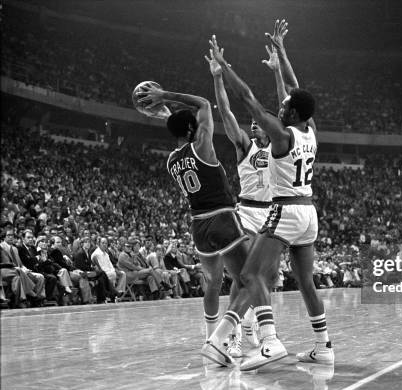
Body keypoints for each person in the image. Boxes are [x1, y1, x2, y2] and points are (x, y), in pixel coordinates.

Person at [202, 26, 333, 371]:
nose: (283, 105)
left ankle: (270, 342)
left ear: (291, 113)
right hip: (309, 214)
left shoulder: (279, 134)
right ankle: (323, 346)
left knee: (250, 275)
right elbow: (294, 90)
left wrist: (224, 66)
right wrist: (283, 59)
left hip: (286, 210)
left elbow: (247, 99)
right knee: (306, 282)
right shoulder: (311, 131)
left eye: (286, 106)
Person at [136, 83, 250, 339]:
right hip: (222, 218)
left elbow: (181, 128)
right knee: (247, 281)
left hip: (198, 226)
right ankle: (225, 339)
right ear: (191, 129)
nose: (201, 127)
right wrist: (165, 94)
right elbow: (204, 104)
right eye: (195, 125)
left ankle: (210, 336)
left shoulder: (172, 160)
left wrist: (169, 116)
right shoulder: (202, 147)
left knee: (212, 283)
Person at [206, 40, 279, 357]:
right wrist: (218, 77)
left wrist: (278, 72)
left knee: (268, 278)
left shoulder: (281, 148)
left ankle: (249, 323)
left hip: (274, 215)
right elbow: (225, 112)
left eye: (257, 121)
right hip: (247, 213)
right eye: (251, 121)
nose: (252, 123)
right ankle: (233, 335)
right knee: (242, 275)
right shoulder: (245, 146)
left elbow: (287, 109)